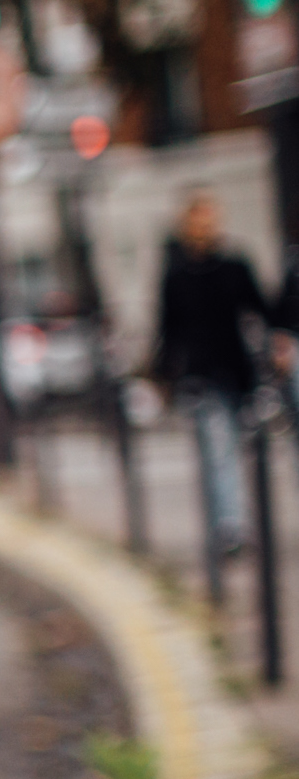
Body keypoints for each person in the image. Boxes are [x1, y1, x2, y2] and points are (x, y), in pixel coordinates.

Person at [151, 193, 268, 556]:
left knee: (245, 450)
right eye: (198, 222)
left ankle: (235, 522)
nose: (205, 228)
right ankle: (230, 527)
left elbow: (260, 308)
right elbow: (168, 328)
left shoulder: (234, 265)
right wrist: (163, 376)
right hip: (200, 376)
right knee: (219, 450)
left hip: (237, 371)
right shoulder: (177, 273)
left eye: (210, 221)